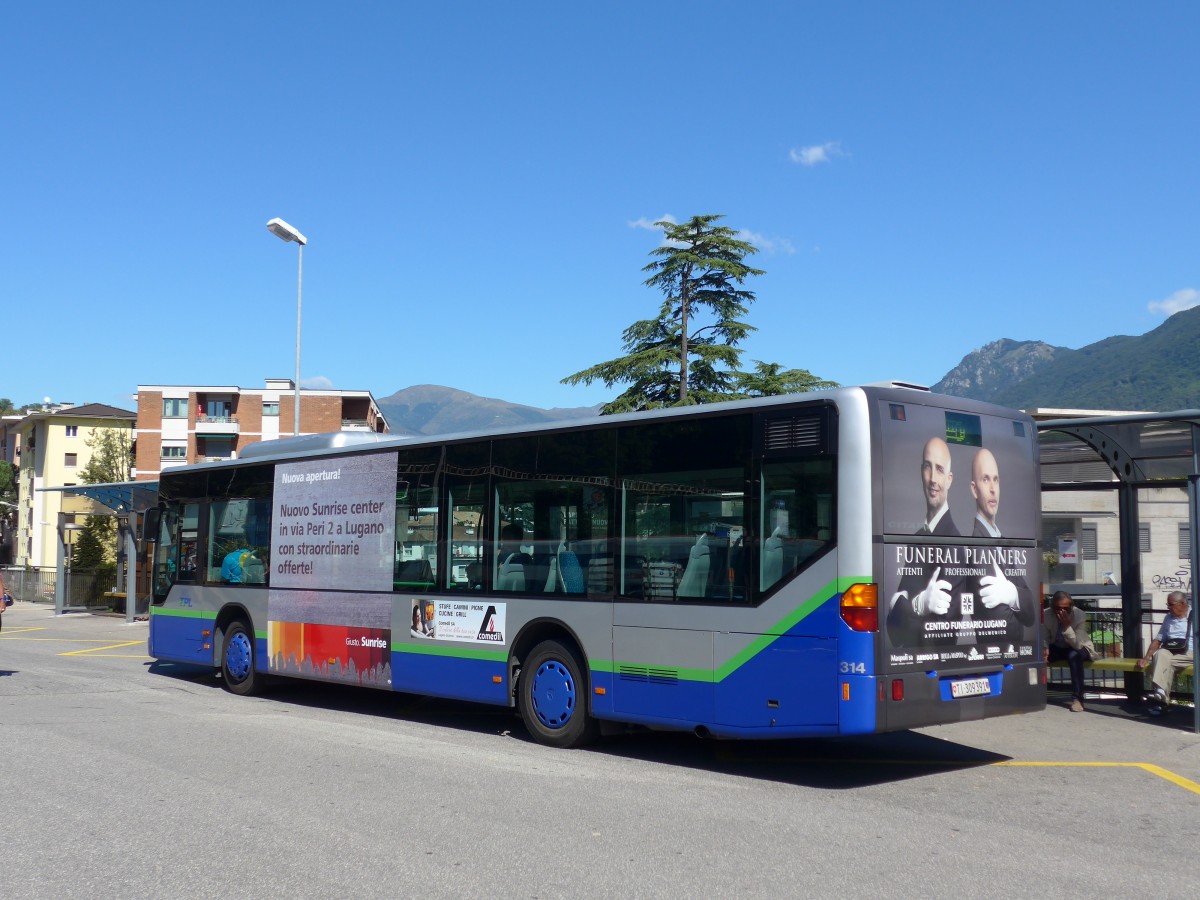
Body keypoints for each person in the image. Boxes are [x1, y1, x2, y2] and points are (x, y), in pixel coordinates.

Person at [1137, 592, 1194, 715]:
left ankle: (1160, 700)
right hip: (1171, 652)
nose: (1168, 607)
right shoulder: (1168, 617)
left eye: (1171, 604)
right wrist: (1146, 658)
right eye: (1167, 604)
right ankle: (1161, 694)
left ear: (1183, 604)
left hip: (1191, 652)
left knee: (1162, 662)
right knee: (1161, 654)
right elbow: (1158, 639)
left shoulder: (1195, 615)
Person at [1042, 590, 1097, 712]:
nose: (1061, 611)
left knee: (1074, 656)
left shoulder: (1079, 615)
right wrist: (1044, 649)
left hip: (1079, 647)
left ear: (1071, 607)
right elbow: (1044, 637)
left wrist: (1067, 626)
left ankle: (1077, 699)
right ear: (1052, 606)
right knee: (1036, 656)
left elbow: (1077, 644)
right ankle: (1035, 693)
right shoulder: (1046, 614)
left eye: (1065, 608)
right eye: (1057, 608)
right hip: (1057, 646)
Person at [918, 436, 958, 536]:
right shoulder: (915, 540)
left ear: (949, 480)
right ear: (921, 472)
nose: (933, 479)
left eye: (939, 469)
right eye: (927, 467)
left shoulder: (955, 544)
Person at [970, 448, 1002, 537]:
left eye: (995, 480)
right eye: (985, 480)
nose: (993, 489)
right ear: (974, 489)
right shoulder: (977, 545)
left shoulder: (1000, 539)